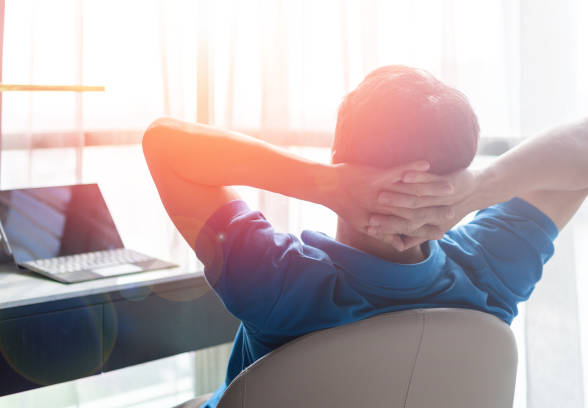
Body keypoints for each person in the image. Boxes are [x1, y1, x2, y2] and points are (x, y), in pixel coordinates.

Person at [142, 65, 588, 407]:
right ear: (457, 175)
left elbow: (163, 142)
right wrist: (480, 187)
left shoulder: (278, 280)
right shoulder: (488, 272)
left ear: (339, 157)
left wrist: (326, 184)